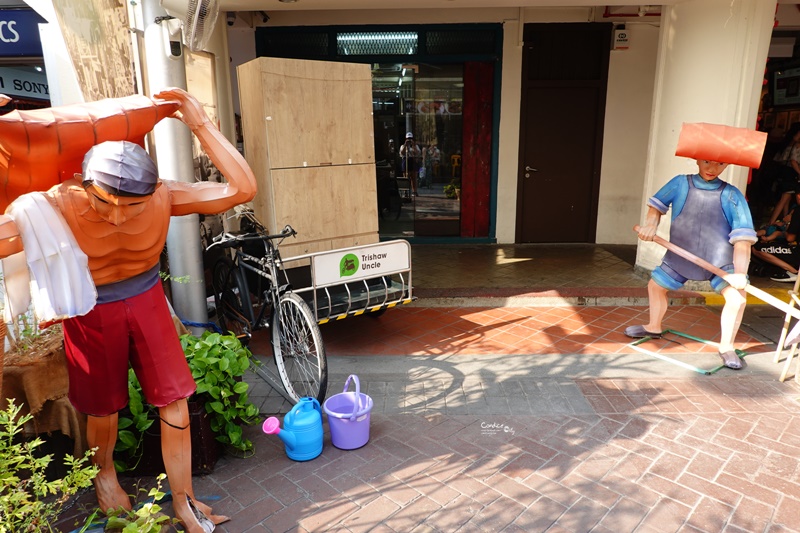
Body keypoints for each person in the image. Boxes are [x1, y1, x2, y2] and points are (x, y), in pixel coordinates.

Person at [0, 88, 256, 532]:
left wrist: (197, 121)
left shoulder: (164, 196)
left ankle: (184, 499)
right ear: (84, 186)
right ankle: (105, 477)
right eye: (105, 204)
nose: (118, 217)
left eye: (131, 205)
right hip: (90, 310)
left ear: (152, 190)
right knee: (103, 409)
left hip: (148, 300)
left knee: (175, 402)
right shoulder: (54, 206)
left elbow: (242, 188)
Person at [624, 123, 762, 370]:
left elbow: (742, 239)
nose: (712, 168)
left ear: (727, 164)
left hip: (718, 261)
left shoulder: (732, 195)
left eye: (719, 163)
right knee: (655, 286)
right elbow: (656, 205)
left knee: (737, 299)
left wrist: (739, 273)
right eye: (707, 161)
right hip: (680, 257)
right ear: (697, 160)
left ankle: (727, 346)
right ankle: (653, 326)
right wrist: (650, 226)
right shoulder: (679, 183)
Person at [752, 189, 800, 283]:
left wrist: (782, 229)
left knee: (757, 248)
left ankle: (794, 272)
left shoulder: (798, 211)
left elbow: (790, 238)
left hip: (797, 254)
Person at [765, 123, 800, 226]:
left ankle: (785, 221)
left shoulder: (787, 144)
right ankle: (771, 222)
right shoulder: (795, 145)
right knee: (785, 197)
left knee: (787, 198)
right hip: (790, 172)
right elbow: (793, 161)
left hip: (785, 170)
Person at [399, 131, 422, 196]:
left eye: (410, 139)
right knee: (406, 177)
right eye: (408, 139)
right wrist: (405, 145)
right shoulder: (402, 146)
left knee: (413, 177)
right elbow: (402, 153)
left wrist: (413, 145)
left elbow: (417, 153)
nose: (409, 140)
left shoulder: (415, 146)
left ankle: (414, 191)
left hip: (413, 161)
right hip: (405, 161)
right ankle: (405, 192)